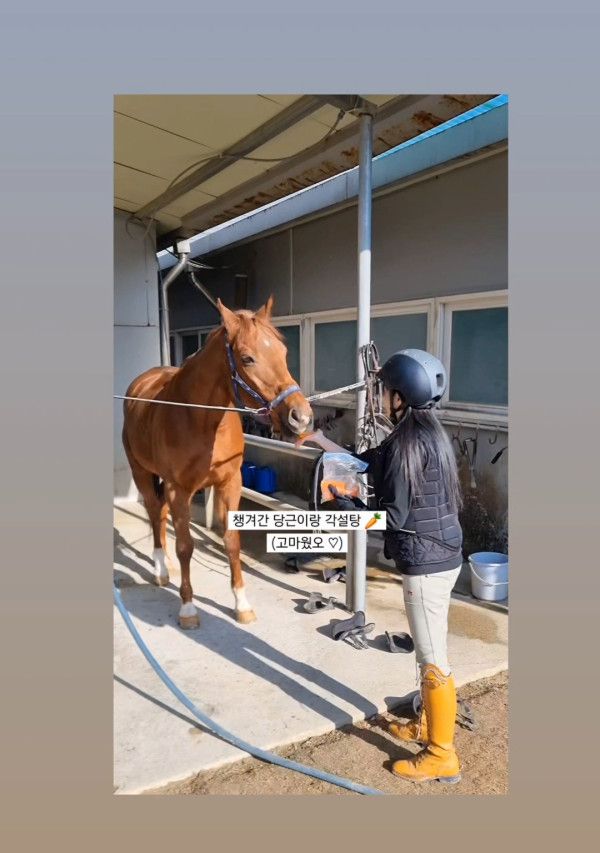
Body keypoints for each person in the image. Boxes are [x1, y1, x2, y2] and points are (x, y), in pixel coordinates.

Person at [297, 349, 463, 784]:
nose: (380, 398)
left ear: (400, 397)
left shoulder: (408, 444)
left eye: (385, 391)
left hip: (425, 565)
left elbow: (393, 517)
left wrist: (351, 510)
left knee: (432, 659)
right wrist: (319, 440)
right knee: (431, 651)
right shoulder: (423, 433)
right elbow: (367, 463)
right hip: (442, 555)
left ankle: (442, 754)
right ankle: (427, 725)